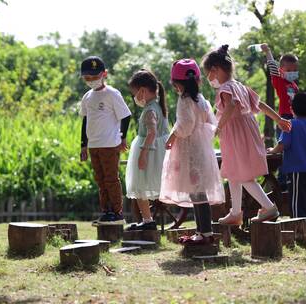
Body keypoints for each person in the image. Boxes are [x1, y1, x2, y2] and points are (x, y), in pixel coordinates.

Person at [201, 44, 292, 226]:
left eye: (208, 74)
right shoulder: (240, 86)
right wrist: (278, 119)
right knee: (234, 173)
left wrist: (219, 126)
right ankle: (235, 212)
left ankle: (268, 207)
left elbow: (232, 105)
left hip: (236, 134)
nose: (208, 78)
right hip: (246, 132)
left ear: (215, 70)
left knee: (242, 176)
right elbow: (260, 105)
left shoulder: (225, 88)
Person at [159, 59, 225, 245]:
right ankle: (202, 231)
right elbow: (210, 122)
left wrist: (172, 135)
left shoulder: (184, 99)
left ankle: (205, 232)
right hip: (202, 147)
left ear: (177, 84)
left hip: (190, 150)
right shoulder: (201, 99)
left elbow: (186, 125)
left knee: (197, 193)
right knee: (198, 192)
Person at [79, 56, 132, 225]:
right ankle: (106, 211)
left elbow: (126, 115)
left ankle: (117, 213)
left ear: (104, 74)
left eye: (95, 77)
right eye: (87, 78)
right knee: (100, 180)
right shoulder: (87, 97)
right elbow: (85, 121)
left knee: (111, 179)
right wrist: (83, 145)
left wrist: (122, 137)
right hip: (94, 145)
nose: (91, 81)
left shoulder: (112, 94)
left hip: (110, 144)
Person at [269, 92, 306, 229]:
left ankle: (299, 234)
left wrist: (272, 150)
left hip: (297, 171)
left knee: (297, 205)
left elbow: (283, 145)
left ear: (291, 109)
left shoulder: (290, 124)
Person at [125, 69, 170, 231]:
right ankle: (147, 219)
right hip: (159, 150)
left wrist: (143, 154)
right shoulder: (159, 106)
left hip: (150, 151)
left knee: (139, 185)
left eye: (134, 93)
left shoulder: (150, 110)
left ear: (142, 91)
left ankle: (147, 219)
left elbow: (152, 132)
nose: (134, 97)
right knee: (143, 185)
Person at [259, 43, 300, 192]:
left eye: (295, 70)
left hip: (296, 120)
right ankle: (282, 182)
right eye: (289, 70)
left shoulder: (294, 86)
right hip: (284, 117)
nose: (292, 72)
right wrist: (268, 52)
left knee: (294, 149)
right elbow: (272, 67)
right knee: (284, 148)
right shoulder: (279, 81)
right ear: (282, 70)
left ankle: (292, 177)